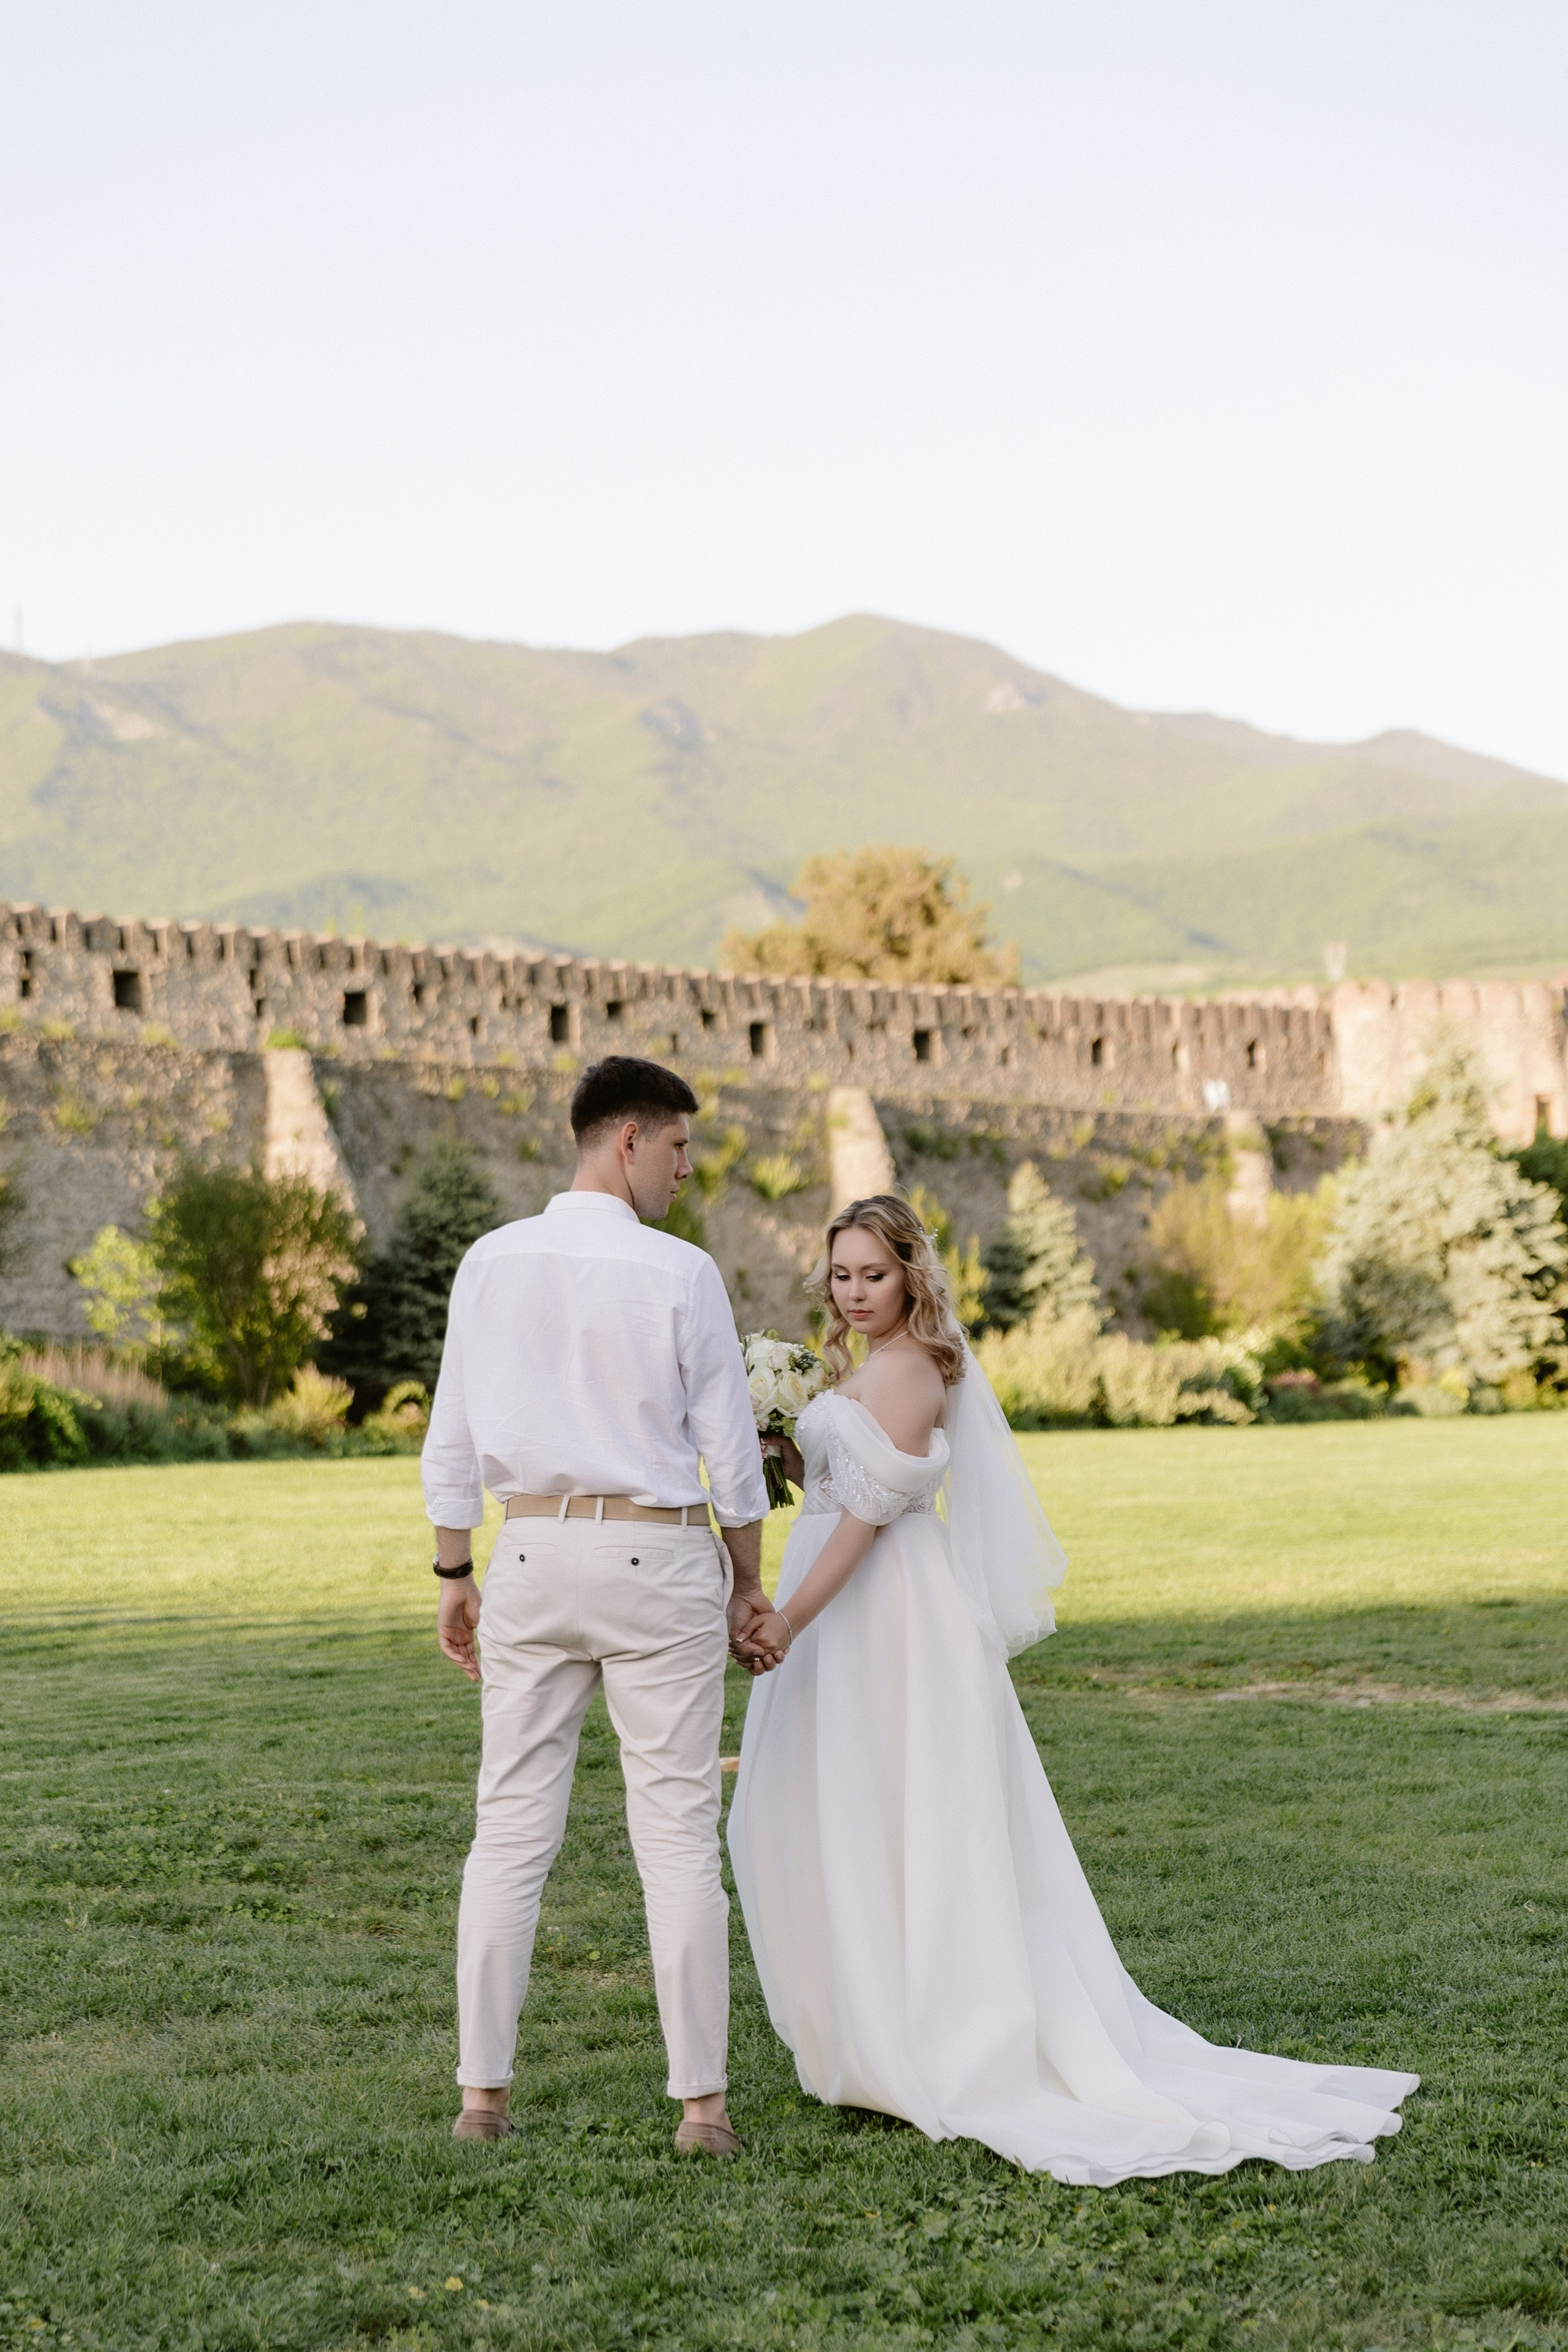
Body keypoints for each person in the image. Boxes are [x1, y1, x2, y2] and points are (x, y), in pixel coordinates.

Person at [727, 1194, 1418, 2184]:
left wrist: (790, 1620)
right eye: (839, 1274)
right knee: (844, 1810)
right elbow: (836, 1481)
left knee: (919, 1814)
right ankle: (867, 2024)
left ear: (910, 1274)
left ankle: (937, 2032)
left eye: (872, 1274)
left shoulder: (918, 1366)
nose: (853, 1291)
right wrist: (782, 1443)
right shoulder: (851, 1367)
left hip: (888, 1616)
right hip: (844, 1606)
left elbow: (867, 1520)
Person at [422, 1056, 769, 2155]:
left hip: (525, 1550)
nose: (685, 1171)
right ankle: (701, 2111)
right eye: (677, 1150)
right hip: (655, 1557)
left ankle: (485, 2099)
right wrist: (749, 1583)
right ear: (627, 1140)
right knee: (674, 1834)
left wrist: (452, 1573)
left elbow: (452, 1436)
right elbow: (729, 1456)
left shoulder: (489, 1260)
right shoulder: (681, 1273)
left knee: (510, 1830)